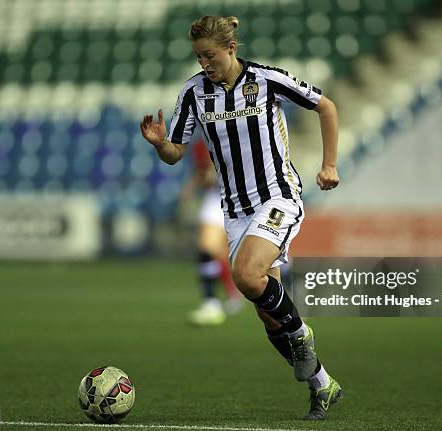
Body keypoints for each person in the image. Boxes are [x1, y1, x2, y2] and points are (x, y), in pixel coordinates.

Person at [140, 15, 342, 420]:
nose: (204, 64)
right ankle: (322, 384)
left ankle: (303, 335)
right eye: (198, 57)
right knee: (268, 315)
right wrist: (161, 144)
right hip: (233, 209)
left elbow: (326, 106)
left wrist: (329, 165)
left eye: (210, 55)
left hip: (277, 196)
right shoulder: (194, 93)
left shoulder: (266, 80)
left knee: (247, 275)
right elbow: (177, 152)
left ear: (231, 48)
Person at [182, 138, 243, 326]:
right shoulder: (201, 142)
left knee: (268, 255)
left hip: (248, 196)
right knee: (207, 248)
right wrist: (191, 187)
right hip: (217, 197)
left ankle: (287, 303)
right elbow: (204, 172)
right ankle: (211, 303)